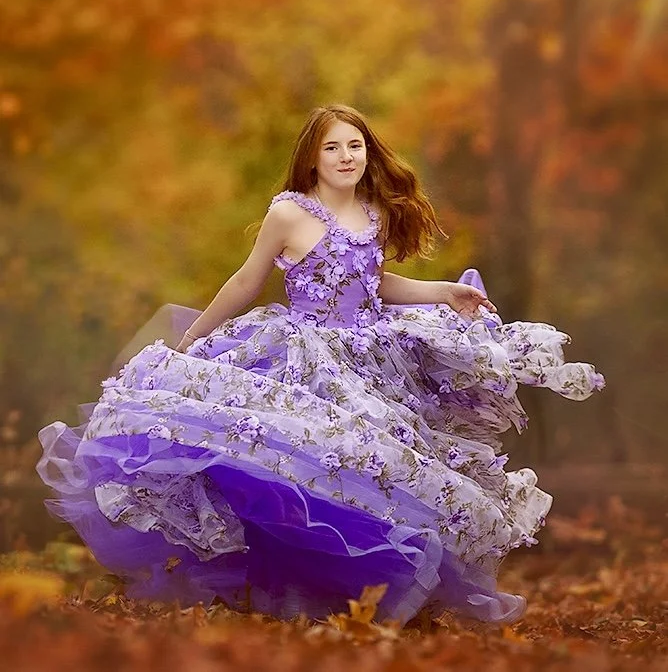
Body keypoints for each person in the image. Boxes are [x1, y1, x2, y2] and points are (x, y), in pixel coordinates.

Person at [37, 104, 604, 626]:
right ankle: (289, 577)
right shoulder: (287, 213)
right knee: (303, 462)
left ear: (368, 152)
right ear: (313, 156)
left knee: (378, 465)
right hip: (307, 351)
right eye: (333, 148)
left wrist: (442, 290)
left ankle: (371, 585)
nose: (346, 157)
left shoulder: (374, 211)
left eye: (355, 146)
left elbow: (375, 282)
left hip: (371, 355)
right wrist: (199, 330)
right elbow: (248, 279)